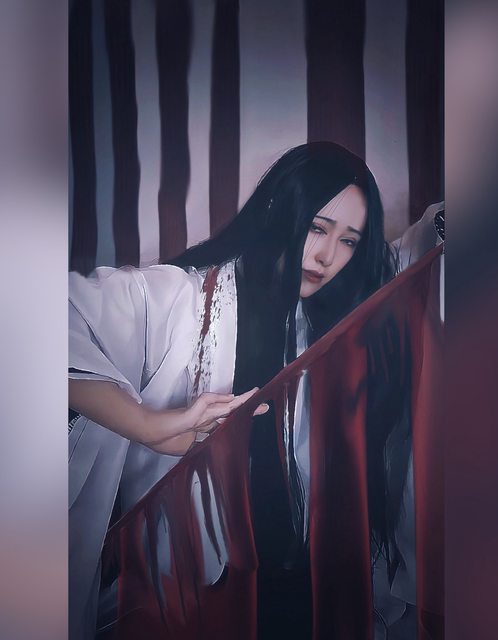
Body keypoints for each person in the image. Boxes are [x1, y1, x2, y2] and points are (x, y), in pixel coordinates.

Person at [69, 142, 430, 639]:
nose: (327, 256)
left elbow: (426, 248)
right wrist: (149, 426)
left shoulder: (330, 321)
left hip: (297, 589)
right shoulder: (176, 299)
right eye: (317, 228)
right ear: (278, 209)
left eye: (349, 240)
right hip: (186, 594)